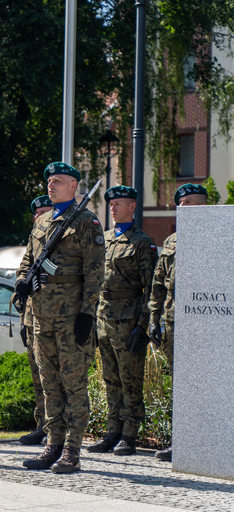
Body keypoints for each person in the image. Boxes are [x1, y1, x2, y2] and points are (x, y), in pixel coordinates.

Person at [17, 162, 104, 474]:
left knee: (73, 385)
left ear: (74, 187)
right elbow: (28, 259)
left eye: (58, 181)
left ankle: (72, 450)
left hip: (70, 318)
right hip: (41, 316)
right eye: (50, 181)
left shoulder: (86, 223)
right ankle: (52, 445)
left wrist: (86, 314)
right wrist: (21, 282)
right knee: (50, 384)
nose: (51, 186)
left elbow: (95, 275)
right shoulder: (42, 222)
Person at [87, 186, 158, 456]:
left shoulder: (142, 242)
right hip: (104, 318)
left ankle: (129, 434)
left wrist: (142, 326)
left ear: (133, 207)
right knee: (110, 379)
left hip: (128, 320)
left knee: (130, 379)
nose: (114, 209)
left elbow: (150, 287)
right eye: (112, 204)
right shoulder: (103, 239)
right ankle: (112, 431)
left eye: (120, 204)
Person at [147, 183, 207, 463]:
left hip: (208, 324)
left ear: (205, 206)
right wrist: (154, 320)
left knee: (207, 383)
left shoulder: (219, 236)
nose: (184, 207)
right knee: (179, 385)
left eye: (191, 203)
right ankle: (179, 443)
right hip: (174, 324)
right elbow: (158, 284)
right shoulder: (171, 242)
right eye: (181, 203)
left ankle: (210, 442)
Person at [18, 195, 52, 446]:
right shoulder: (33, 242)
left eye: (46, 212)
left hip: (53, 319)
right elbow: (23, 281)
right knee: (37, 378)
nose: (41, 216)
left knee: (52, 379)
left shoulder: (59, 239)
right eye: (38, 213)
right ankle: (41, 425)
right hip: (31, 320)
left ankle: (55, 428)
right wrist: (22, 321)